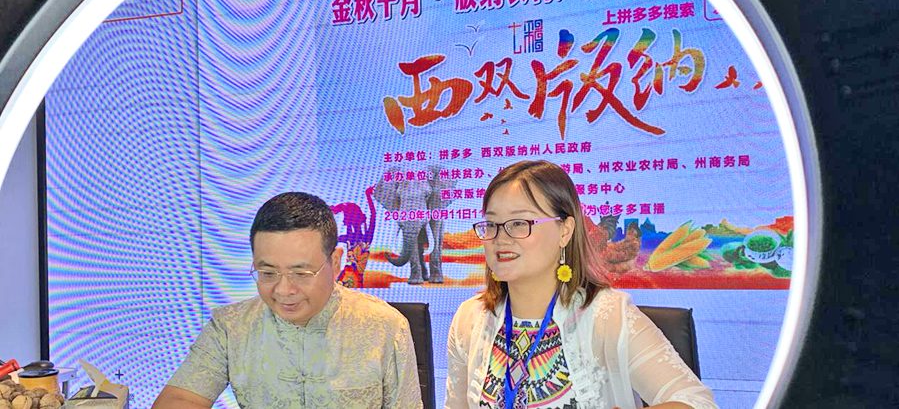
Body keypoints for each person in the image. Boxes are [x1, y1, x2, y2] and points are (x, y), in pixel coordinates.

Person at [444, 160, 719, 409]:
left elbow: (697, 402)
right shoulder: (470, 319)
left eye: (518, 223)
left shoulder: (608, 316)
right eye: (492, 224)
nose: (501, 238)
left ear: (565, 230)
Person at [152, 192, 422, 409]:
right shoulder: (229, 327)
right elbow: (181, 398)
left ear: (335, 262)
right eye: (268, 273)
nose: (283, 290)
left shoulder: (386, 327)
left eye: (301, 273)